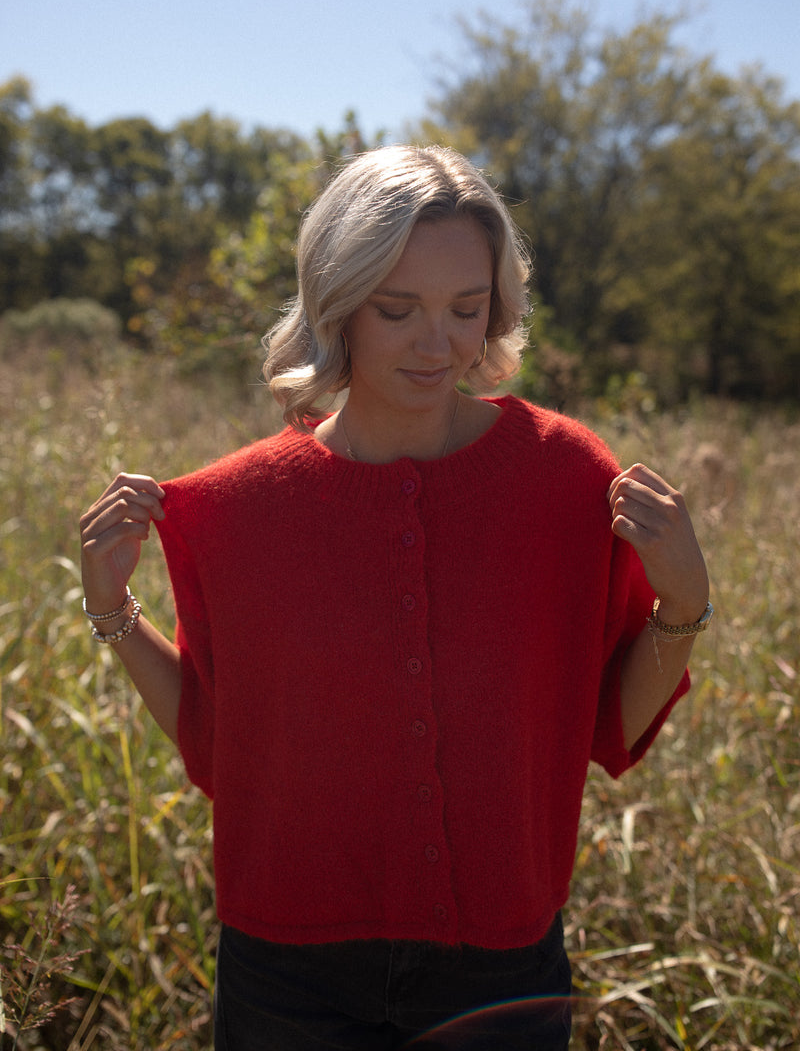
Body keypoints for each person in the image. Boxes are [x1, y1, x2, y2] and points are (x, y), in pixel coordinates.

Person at [79, 145, 712, 1050]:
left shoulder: (568, 479)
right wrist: (115, 613)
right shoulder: (233, 511)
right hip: (286, 969)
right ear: (338, 303)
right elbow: (221, 750)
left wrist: (683, 604)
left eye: (467, 308)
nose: (440, 343)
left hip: (502, 963)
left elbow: (609, 722)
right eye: (398, 308)